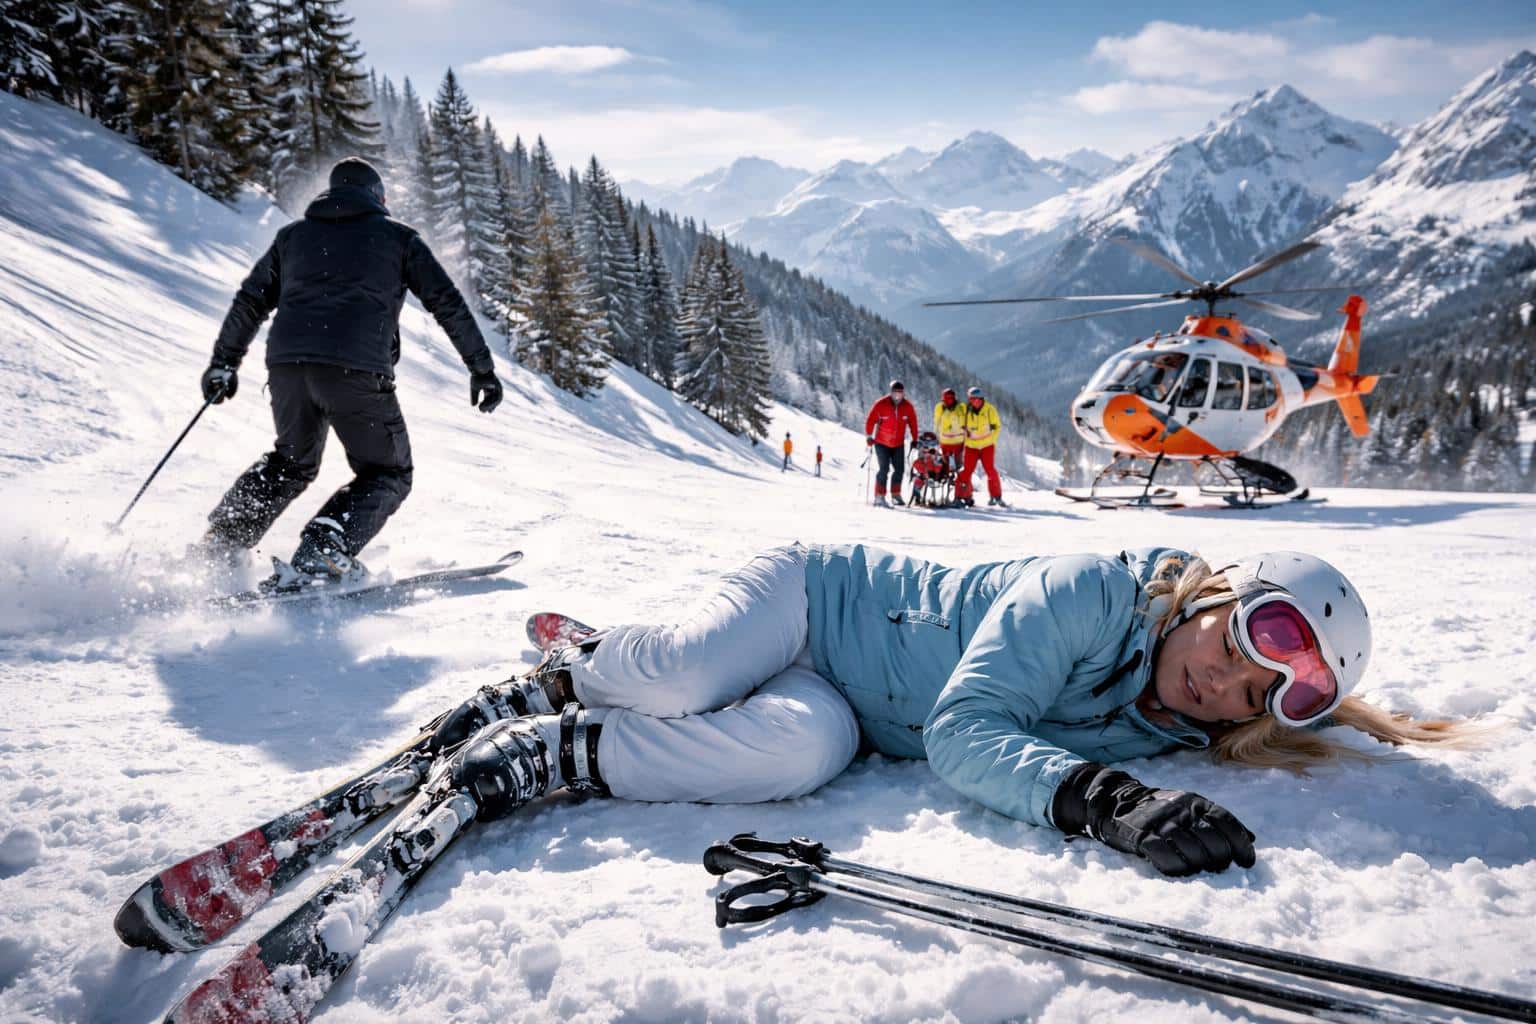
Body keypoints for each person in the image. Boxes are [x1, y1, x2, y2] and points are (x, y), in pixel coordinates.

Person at [427, 545, 1474, 878]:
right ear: (1214, 594)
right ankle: (583, 666)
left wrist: (1357, 719)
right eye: (1234, 640)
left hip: (847, 701)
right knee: (685, 671)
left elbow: (938, 737)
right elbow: (967, 732)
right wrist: (1101, 799)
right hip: (814, 599)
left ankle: (556, 749)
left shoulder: (1174, 717)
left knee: (791, 754)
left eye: (1258, 695)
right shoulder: (1090, 591)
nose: (1222, 682)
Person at [194, 157, 503, 588]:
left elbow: (251, 300)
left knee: (291, 461)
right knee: (388, 471)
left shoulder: (292, 237)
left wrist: (224, 363)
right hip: (355, 370)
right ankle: (326, 545)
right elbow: (446, 303)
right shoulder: (398, 239)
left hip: (287, 367)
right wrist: (482, 369)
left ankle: (222, 541)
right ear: (377, 196)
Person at [863, 380, 919, 507]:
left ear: (903, 394)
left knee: (899, 469)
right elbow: (870, 421)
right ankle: (879, 496)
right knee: (884, 469)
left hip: (898, 443)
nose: (898, 396)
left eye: (900, 393)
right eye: (895, 393)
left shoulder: (908, 407)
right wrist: (869, 436)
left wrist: (915, 439)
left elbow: (913, 424)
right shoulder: (881, 404)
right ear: (891, 393)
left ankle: (895, 494)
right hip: (881, 443)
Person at [955, 386, 1004, 508]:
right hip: (971, 447)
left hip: (987, 446)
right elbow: (960, 425)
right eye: (972, 399)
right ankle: (961, 497)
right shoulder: (966, 411)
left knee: (990, 470)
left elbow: (997, 427)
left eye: (977, 399)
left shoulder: (989, 410)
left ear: (982, 399)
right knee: (966, 471)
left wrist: (990, 440)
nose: (975, 401)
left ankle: (996, 497)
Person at [933, 387, 966, 472]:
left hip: (948, 441)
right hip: (955, 441)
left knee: (948, 464)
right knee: (957, 465)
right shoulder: (961, 407)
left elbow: (936, 423)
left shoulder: (940, 407)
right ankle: (957, 479)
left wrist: (935, 435)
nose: (949, 401)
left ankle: (950, 478)